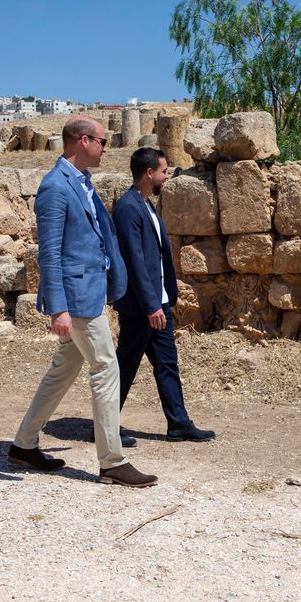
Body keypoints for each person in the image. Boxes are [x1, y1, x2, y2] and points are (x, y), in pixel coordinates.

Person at [9, 116, 157, 488]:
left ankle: (24, 445)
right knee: (107, 367)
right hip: (76, 299)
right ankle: (111, 461)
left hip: (88, 291)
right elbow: (50, 254)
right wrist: (58, 307)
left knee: (63, 369)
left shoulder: (81, 183)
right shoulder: (55, 188)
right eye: (103, 142)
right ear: (83, 140)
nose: (107, 149)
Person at [112, 147, 215, 443]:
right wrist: (150, 305)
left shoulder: (145, 205)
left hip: (157, 303)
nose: (167, 177)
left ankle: (179, 422)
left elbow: (154, 259)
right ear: (149, 173)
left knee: (167, 363)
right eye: (164, 171)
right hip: (141, 308)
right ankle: (105, 425)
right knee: (126, 364)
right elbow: (134, 262)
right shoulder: (128, 208)